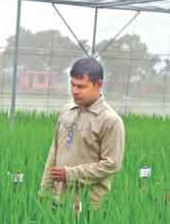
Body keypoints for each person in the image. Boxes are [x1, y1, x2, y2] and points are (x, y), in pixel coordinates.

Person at [39, 58, 125, 209]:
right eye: (72, 84)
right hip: (59, 200)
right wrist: (44, 191)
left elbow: (111, 164)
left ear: (98, 85)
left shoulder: (110, 121)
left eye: (81, 86)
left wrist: (70, 174)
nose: (74, 91)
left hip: (88, 205)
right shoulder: (66, 111)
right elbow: (53, 153)